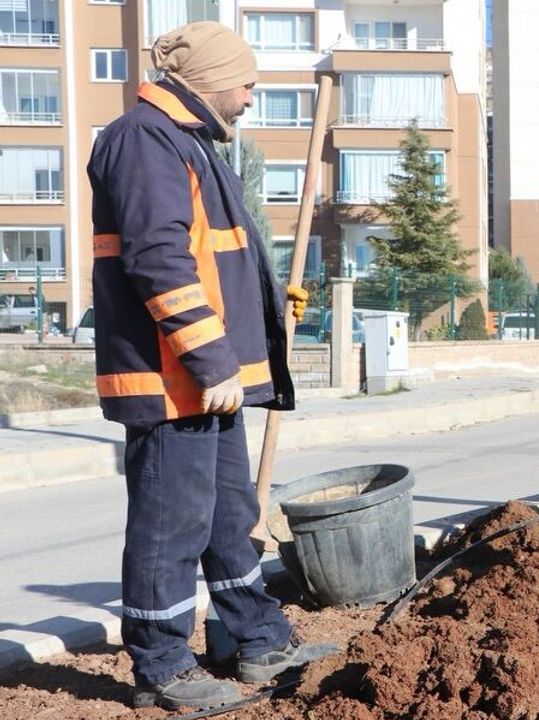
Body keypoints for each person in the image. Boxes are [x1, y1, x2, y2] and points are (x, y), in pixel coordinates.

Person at [87, 21, 332, 711]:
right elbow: (159, 259)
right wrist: (209, 357)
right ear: (210, 82)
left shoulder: (186, 141)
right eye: (247, 84)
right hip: (173, 379)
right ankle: (162, 667)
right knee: (172, 523)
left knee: (229, 515)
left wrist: (264, 302)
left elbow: (211, 256)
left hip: (205, 380)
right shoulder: (144, 140)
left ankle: (255, 638)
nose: (250, 98)